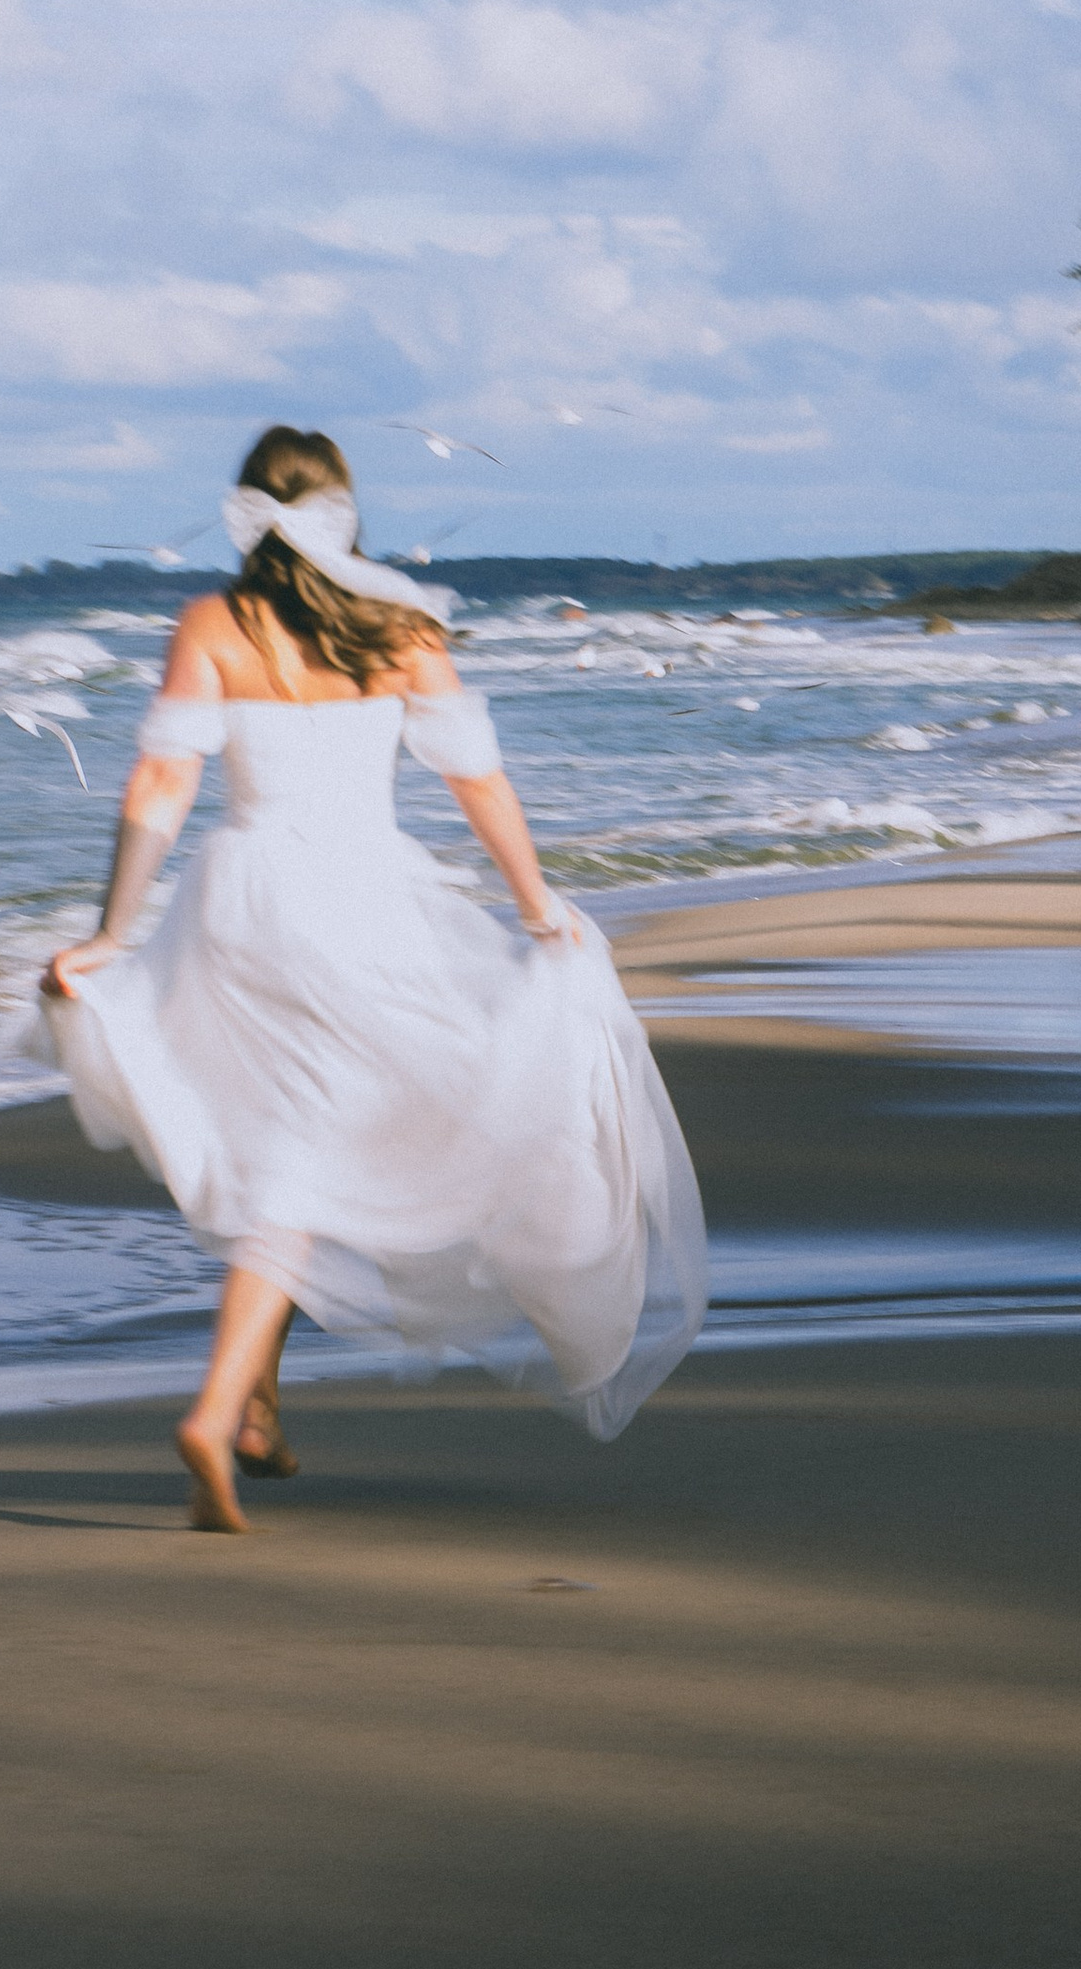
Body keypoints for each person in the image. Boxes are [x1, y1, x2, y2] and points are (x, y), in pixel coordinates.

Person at [41, 424, 707, 1532]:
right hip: (364, 901)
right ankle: (215, 1411)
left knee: (287, 1141)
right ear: (344, 511)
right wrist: (537, 907)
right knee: (307, 1157)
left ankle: (256, 1412)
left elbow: (161, 781)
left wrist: (114, 929)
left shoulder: (213, 623)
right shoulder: (400, 627)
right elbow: (477, 779)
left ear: (246, 512)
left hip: (242, 900)